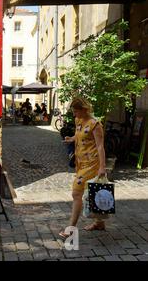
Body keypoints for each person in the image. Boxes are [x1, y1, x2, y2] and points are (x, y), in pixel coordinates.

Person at [59, 97, 107, 238]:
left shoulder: (95, 124)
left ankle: (71, 228)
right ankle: (99, 223)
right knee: (94, 191)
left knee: (76, 193)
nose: (74, 115)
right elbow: (79, 135)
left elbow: (100, 146)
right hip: (80, 163)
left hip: (92, 164)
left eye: (76, 111)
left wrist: (102, 167)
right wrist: (71, 139)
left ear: (84, 109)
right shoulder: (78, 120)